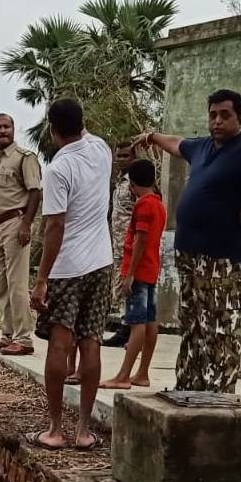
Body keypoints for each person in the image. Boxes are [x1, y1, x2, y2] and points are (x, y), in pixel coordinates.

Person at [134, 89, 241, 393]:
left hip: (219, 255)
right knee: (193, 323)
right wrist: (153, 136)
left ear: (239, 118)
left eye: (225, 115)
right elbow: (177, 144)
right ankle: (190, 386)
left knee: (219, 326)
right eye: (213, 115)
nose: (217, 121)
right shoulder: (203, 147)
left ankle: (218, 394)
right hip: (188, 252)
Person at [27, 98, 112, 450]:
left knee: (60, 345)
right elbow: (86, 133)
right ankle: (84, 431)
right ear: (83, 123)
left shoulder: (58, 169)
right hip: (101, 262)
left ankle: (55, 429)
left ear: (52, 130)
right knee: (91, 341)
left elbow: (55, 226)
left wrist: (42, 278)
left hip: (67, 267)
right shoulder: (101, 149)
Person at [100, 159, 166, 389]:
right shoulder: (158, 204)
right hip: (151, 270)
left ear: (133, 183)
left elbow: (141, 239)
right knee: (149, 321)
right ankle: (142, 373)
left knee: (136, 322)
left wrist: (129, 275)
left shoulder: (143, 205)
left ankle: (124, 375)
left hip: (138, 271)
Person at [0, 113, 41, 356]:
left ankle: (24, 338)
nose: (3, 131)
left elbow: (35, 192)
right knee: (1, 284)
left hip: (15, 223)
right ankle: (7, 334)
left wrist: (26, 224)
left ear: (14, 129)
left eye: (6, 126)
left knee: (17, 283)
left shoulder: (24, 158)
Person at [102, 142, 137, 349]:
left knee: (128, 285)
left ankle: (127, 329)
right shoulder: (119, 181)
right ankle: (124, 324)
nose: (121, 159)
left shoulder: (137, 181)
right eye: (119, 156)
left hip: (131, 242)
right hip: (117, 242)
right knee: (119, 283)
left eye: (125, 156)